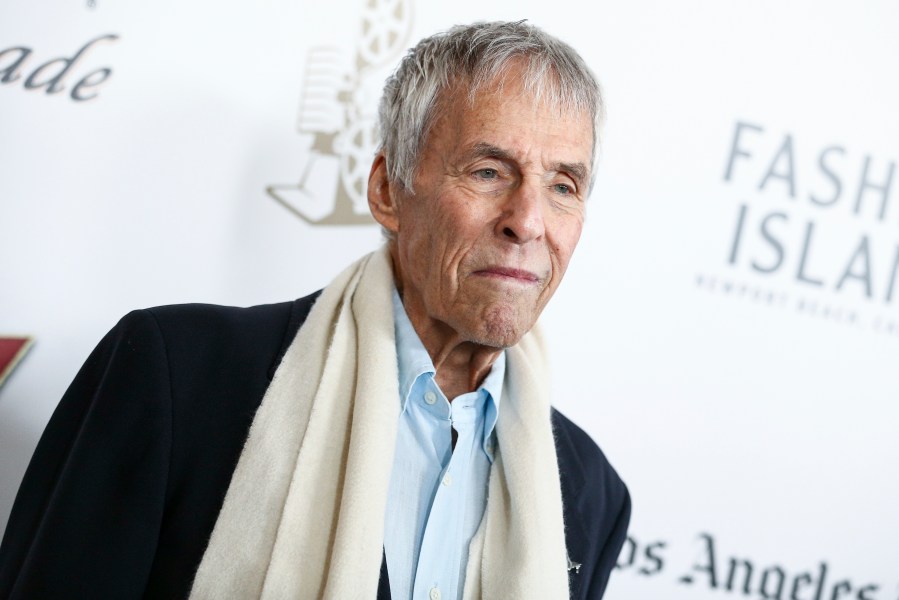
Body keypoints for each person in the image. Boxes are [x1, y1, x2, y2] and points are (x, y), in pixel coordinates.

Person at [0, 20, 629, 600]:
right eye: (490, 171)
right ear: (387, 191)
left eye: (563, 186)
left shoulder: (588, 492)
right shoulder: (177, 377)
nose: (528, 221)